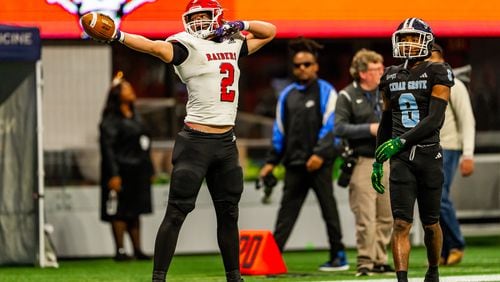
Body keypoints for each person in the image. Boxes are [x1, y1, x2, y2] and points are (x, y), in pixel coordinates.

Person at [85, 0, 276, 281]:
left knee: (229, 214)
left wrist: (241, 24)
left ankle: (234, 278)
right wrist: (119, 36)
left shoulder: (232, 42)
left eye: (204, 16)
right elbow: (153, 46)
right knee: (176, 213)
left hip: (226, 143)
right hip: (195, 143)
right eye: (194, 17)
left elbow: (270, 31)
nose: (198, 22)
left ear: (218, 17)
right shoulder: (185, 45)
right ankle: (158, 278)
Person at [370, 17, 454, 282]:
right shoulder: (390, 75)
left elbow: (434, 119)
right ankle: (402, 280)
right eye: (403, 38)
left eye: (413, 38)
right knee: (401, 223)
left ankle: (433, 269)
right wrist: (377, 159)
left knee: (430, 223)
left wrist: (401, 141)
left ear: (426, 41)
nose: (407, 43)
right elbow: (385, 120)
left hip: (429, 155)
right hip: (401, 160)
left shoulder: (438, 71)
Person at [259, 37, 349, 272]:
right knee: (285, 214)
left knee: (328, 210)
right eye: (298, 65)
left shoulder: (327, 91)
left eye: (307, 64)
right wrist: (271, 162)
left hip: (319, 164)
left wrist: (320, 154)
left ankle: (338, 255)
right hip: (294, 164)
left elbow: (332, 126)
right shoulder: (287, 95)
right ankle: (272, 260)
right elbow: (279, 130)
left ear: (315, 66)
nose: (302, 68)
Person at [334, 49, 393, 276]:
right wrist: (369, 129)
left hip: (386, 159)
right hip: (363, 160)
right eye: (375, 69)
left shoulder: (385, 93)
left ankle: (380, 259)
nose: (381, 72)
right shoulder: (347, 96)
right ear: (362, 73)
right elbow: (338, 128)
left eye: (381, 68)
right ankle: (365, 261)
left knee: (386, 215)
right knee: (366, 217)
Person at [428, 43, 476, 266]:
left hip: (448, 146)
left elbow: (467, 120)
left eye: (434, 60)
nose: (430, 64)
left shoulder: (454, 84)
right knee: (431, 201)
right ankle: (445, 249)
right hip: (428, 148)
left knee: (439, 198)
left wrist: (468, 154)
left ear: (442, 60)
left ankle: (456, 243)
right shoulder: (421, 85)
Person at [99, 71, 154, 261]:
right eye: (126, 88)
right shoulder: (110, 121)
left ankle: (138, 249)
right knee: (119, 211)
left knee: (135, 210)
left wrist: (150, 168)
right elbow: (107, 149)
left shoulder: (137, 117)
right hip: (119, 170)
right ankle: (120, 250)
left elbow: (146, 143)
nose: (131, 91)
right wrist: (113, 175)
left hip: (137, 170)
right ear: (117, 95)